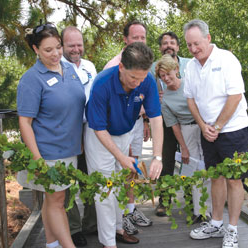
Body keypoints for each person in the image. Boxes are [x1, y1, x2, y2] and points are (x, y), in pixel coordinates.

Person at [84, 42, 163, 248]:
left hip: (125, 132)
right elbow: (99, 129)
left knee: (122, 184)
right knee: (105, 189)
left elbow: (155, 118)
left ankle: (119, 229)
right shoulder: (102, 83)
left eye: (142, 78)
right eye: (133, 78)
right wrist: (121, 156)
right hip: (100, 137)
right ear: (121, 67)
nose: (138, 83)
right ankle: (108, 242)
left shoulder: (147, 80)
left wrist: (157, 157)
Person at [183, 19, 248, 248]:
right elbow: (190, 99)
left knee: (234, 180)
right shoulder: (191, 66)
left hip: (233, 131)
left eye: (196, 44)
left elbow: (235, 96)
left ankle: (232, 230)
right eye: (189, 45)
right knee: (215, 177)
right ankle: (215, 223)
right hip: (208, 132)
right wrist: (203, 126)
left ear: (208, 38)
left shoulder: (227, 59)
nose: (193, 49)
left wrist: (218, 126)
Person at [17, 23, 85, 248]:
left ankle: (51, 244)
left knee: (52, 199)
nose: (55, 54)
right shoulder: (31, 78)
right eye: (48, 50)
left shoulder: (70, 69)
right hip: (48, 152)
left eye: (57, 47)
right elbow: (25, 122)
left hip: (70, 148)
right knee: (58, 201)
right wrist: (37, 159)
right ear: (36, 50)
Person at [103, 20, 152, 235]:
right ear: (125, 39)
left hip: (137, 121)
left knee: (133, 170)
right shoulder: (115, 65)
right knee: (122, 170)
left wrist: (147, 121)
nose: (140, 41)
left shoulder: (145, 64)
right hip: (118, 127)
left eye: (143, 37)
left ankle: (130, 210)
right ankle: (120, 217)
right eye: (135, 37)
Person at [155, 54, 211, 223]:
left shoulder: (190, 84)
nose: (166, 78)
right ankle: (198, 210)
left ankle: (210, 212)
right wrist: (184, 148)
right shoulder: (165, 100)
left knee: (208, 168)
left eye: (168, 73)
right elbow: (174, 125)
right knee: (193, 170)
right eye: (162, 76)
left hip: (203, 125)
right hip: (186, 129)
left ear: (176, 70)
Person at [61, 26, 98, 247]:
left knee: (91, 181)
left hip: (91, 132)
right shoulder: (57, 67)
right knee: (67, 186)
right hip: (67, 134)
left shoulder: (90, 66)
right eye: (71, 45)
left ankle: (92, 224)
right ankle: (73, 228)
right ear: (62, 45)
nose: (76, 49)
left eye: (79, 44)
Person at [150, 31, 191, 216]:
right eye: (165, 43)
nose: (169, 45)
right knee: (166, 162)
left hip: (189, 122)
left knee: (191, 162)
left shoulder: (190, 64)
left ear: (178, 47)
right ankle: (164, 201)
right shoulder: (152, 68)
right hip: (166, 121)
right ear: (160, 48)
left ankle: (192, 199)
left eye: (172, 42)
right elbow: (147, 95)